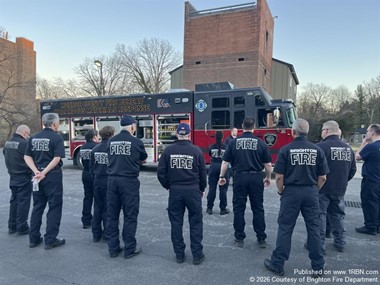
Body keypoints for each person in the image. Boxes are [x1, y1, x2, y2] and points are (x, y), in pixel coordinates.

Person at [264, 118, 329, 277]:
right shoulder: (317, 150)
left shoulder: (286, 149)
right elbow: (323, 177)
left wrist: (281, 191)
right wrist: (314, 190)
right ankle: (318, 266)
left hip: (291, 193)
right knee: (314, 229)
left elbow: (279, 177)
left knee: (285, 228)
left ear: (293, 132)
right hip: (311, 192)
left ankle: (278, 264)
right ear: (307, 132)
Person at [157, 123, 207, 265]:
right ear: (189, 134)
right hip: (193, 190)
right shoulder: (196, 151)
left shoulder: (168, 151)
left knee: (176, 223)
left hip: (176, 191)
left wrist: (168, 186)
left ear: (177, 134)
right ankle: (197, 255)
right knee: (196, 222)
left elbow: (161, 173)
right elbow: (203, 174)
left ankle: (179, 254)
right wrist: (202, 189)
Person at [219, 117, 272, 249]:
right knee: (258, 208)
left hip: (239, 177)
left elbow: (225, 162)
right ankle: (261, 238)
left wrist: (222, 176)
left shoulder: (233, 142)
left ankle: (239, 237)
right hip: (255, 177)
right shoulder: (260, 143)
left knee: (239, 208)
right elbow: (268, 164)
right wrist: (268, 177)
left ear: (242, 126)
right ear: (254, 127)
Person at [106, 115, 147, 258]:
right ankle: (130, 248)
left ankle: (113, 248)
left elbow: (110, 157)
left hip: (112, 181)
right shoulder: (136, 142)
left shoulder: (111, 141)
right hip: (129, 182)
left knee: (112, 216)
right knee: (130, 215)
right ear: (132, 126)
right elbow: (143, 158)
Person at [24, 113, 66, 250]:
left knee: (37, 206)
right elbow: (57, 158)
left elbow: (27, 156)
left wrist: (36, 171)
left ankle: (33, 238)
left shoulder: (33, 137)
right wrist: (44, 173)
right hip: (52, 176)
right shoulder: (57, 138)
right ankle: (50, 239)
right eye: (58, 123)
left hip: (36, 177)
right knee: (54, 207)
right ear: (54, 124)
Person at [315, 121, 356, 253]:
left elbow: (313, 169)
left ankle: (318, 242)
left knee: (320, 215)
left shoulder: (320, 147)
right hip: (340, 188)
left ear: (326, 131)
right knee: (337, 215)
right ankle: (340, 241)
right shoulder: (348, 148)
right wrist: (343, 180)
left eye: (322, 130)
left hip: (323, 188)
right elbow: (353, 170)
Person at [3, 125, 32, 235]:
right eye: (27, 134)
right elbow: (30, 158)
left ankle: (12, 226)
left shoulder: (8, 143)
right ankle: (22, 226)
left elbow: (5, 154)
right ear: (24, 133)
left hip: (13, 176)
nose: (27, 137)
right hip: (23, 176)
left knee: (14, 201)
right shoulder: (24, 144)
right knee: (23, 202)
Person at [90, 126, 115, 243]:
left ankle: (96, 234)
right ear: (111, 134)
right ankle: (107, 233)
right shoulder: (112, 149)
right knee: (108, 208)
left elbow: (91, 167)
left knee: (97, 207)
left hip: (97, 180)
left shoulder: (95, 149)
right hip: (108, 180)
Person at [354, 123, 380, 235]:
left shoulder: (371, 147)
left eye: (368, 131)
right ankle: (378, 225)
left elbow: (357, 156)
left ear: (373, 133)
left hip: (371, 179)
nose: (366, 133)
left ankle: (370, 226)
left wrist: (363, 144)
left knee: (369, 203)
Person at [79, 129, 100, 229]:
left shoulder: (82, 147)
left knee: (87, 197)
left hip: (85, 173)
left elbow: (83, 161)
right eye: (97, 136)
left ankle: (86, 220)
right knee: (97, 198)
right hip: (94, 174)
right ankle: (96, 221)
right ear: (94, 137)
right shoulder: (96, 147)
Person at [206, 131, 230, 215]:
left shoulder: (211, 147)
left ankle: (209, 208)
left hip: (213, 167)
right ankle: (223, 209)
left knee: (212, 188)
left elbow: (210, 154)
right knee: (223, 189)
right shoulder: (226, 147)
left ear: (215, 138)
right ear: (223, 138)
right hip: (223, 167)